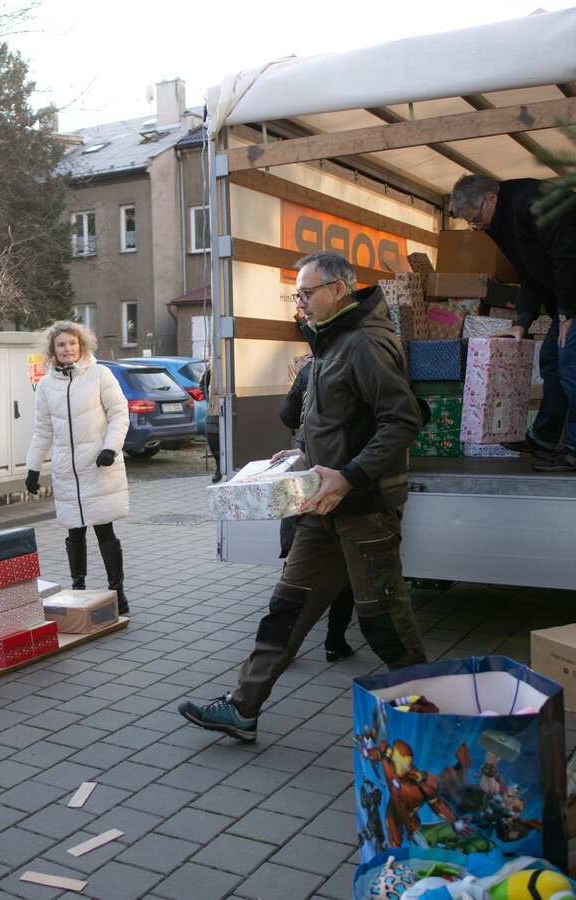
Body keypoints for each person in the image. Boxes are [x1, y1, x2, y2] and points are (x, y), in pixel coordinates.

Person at [178, 251, 428, 742]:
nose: (300, 305)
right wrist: (295, 455)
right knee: (286, 610)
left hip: (364, 510)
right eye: (297, 295)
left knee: (383, 622)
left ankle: (437, 717)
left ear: (339, 289)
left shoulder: (365, 344)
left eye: (306, 294)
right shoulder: (329, 344)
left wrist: (349, 476)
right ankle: (242, 709)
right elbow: (329, 422)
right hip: (320, 507)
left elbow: (403, 420)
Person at [449, 175, 576, 472]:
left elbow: (567, 256)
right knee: (551, 356)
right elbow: (531, 271)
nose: (478, 228)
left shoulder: (532, 201)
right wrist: (521, 322)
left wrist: (566, 314)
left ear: (490, 198)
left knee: (574, 359)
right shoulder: (502, 219)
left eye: (476, 220)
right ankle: (545, 437)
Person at [25, 321, 132, 614]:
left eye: (72, 343)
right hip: (66, 470)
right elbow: (42, 429)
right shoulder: (46, 385)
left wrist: (111, 448)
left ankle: (118, 593)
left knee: (104, 530)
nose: (67, 349)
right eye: (61, 345)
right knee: (74, 533)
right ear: (53, 350)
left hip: (98, 465)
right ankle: (79, 591)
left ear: (82, 345)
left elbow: (120, 413)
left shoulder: (100, 375)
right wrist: (33, 467)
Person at [279, 362, 355, 663]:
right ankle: (335, 642)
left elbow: (287, 415)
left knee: (294, 577)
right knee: (344, 573)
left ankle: (282, 646)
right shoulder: (366, 364)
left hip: (308, 484)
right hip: (342, 488)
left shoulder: (310, 369)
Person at [201, 363, 222, 483]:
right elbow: (202, 383)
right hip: (215, 408)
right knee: (212, 436)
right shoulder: (212, 365)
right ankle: (219, 467)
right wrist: (209, 400)